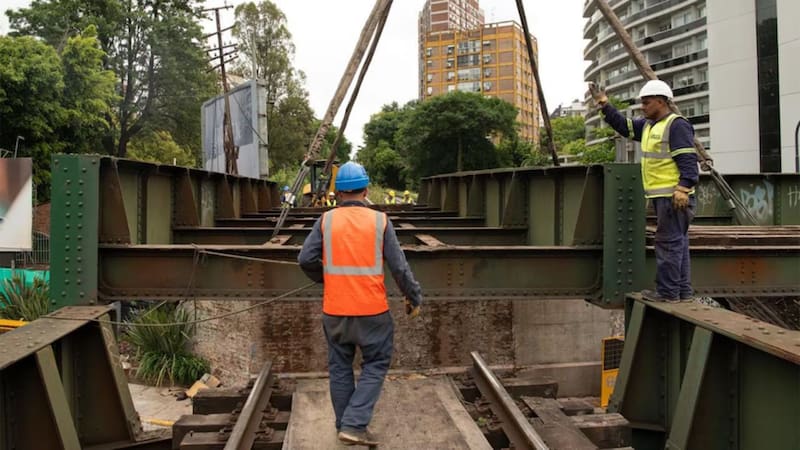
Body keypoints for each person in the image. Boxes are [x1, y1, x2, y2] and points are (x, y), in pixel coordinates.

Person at [298, 161, 423, 446]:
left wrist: (326, 278)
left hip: (335, 311)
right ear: (366, 190)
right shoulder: (380, 221)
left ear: (338, 193)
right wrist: (414, 297)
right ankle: (354, 425)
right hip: (371, 312)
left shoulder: (325, 221)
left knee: (340, 367)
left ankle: (345, 425)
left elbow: (304, 259)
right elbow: (400, 269)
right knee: (376, 363)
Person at [590, 79, 698, 303]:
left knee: (668, 243)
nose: (643, 107)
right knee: (678, 242)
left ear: (661, 101)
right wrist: (604, 105)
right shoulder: (649, 126)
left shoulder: (676, 125)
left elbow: (688, 158)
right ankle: (682, 292)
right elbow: (624, 126)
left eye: (647, 103)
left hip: (673, 196)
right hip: (663, 196)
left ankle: (668, 292)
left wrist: (684, 187)